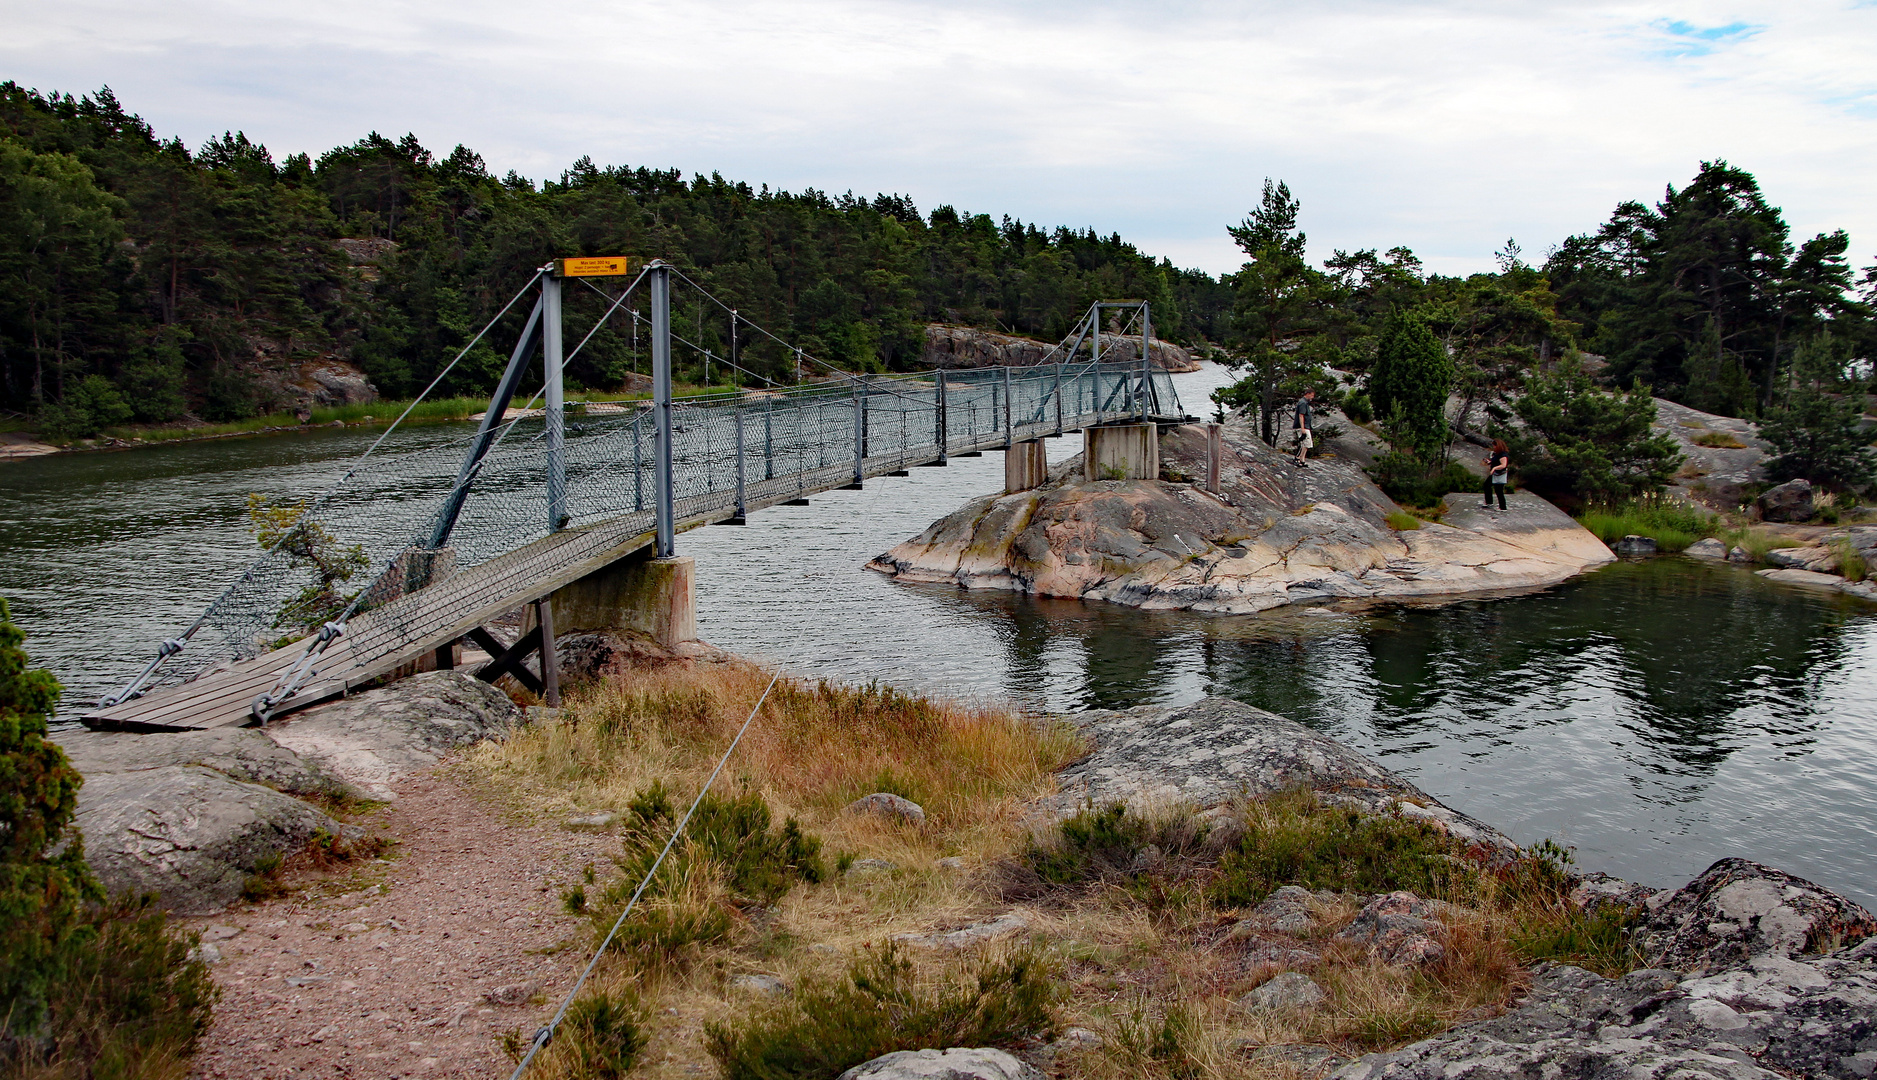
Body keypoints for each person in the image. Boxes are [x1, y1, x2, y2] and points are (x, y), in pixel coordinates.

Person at [1481, 439, 1510, 510]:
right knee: (1487, 485)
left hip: (1500, 474)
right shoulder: (1497, 454)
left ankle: (1503, 507)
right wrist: (1489, 462)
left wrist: (1494, 468)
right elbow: (1495, 461)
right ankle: (1489, 502)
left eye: (1494, 445)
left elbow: (1503, 465)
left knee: (1498, 490)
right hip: (1495, 474)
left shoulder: (1503, 455)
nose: (1493, 447)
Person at [1292, 389, 1315, 467]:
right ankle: (1297, 458)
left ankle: (1302, 459)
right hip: (1303, 426)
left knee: (1307, 443)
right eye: (1312, 395)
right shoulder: (1303, 403)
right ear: (1307, 394)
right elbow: (1301, 415)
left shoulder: (1305, 403)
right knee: (1304, 443)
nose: (1312, 397)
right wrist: (1303, 428)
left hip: (1306, 426)